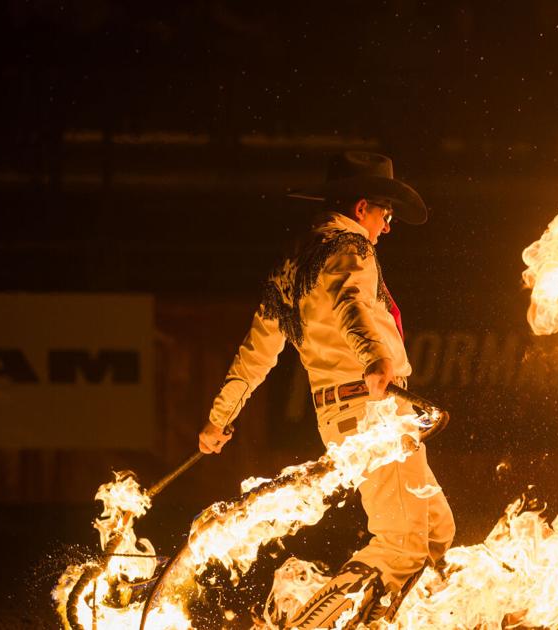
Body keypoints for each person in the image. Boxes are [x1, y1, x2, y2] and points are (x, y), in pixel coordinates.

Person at [197, 151, 455, 628]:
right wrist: (373, 358)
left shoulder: (289, 266)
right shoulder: (349, 247)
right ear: (361, 208)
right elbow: (349, 301)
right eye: (386, 213)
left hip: (340, 414)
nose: (388, 226)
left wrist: (220, 418)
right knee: (402, 544)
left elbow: (256, 353)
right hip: (374, 408)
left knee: (435, 530)